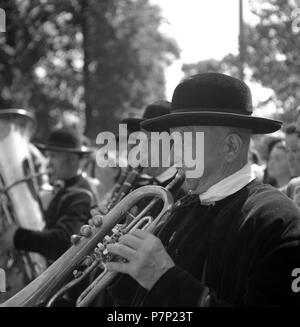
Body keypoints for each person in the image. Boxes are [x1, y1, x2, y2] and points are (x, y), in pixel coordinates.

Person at [83, 73, 300, 307]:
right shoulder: (181, 208)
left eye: (185, 141)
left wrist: (165, 279)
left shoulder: (277, 220)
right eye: (172, 142)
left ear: (231, 146)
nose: (175, 154)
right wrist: (119, 261)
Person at [0, 128, 94, 262]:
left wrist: (17, 237)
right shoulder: (68, 188)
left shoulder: (81, 195)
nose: (47, 162)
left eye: (53, 156)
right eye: (47, 156)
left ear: (73, 159)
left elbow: (62, 242)